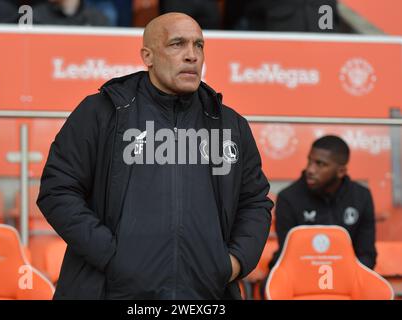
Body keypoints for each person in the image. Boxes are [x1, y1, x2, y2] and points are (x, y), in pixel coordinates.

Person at [37, 12, 273, 300]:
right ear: (147, 56)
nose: (192, 56)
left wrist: (232, 262)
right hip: (112, 292)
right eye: (177, 44)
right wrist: (112, 257)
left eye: (199, 45)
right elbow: (58, 190)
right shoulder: (102, 112)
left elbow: (255, 202)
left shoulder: (229, 124)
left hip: (203, 295)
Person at [269, 135, 377, 272]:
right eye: (310, 161)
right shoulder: (288, 197)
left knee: (374, 291)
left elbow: (366, 255)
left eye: (320, 164)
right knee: (269, 284)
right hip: (301, 274)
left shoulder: (361, 196)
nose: (310, 170)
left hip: (348, 275)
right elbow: (288, 254)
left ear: (341, 171)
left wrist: (342, 279)